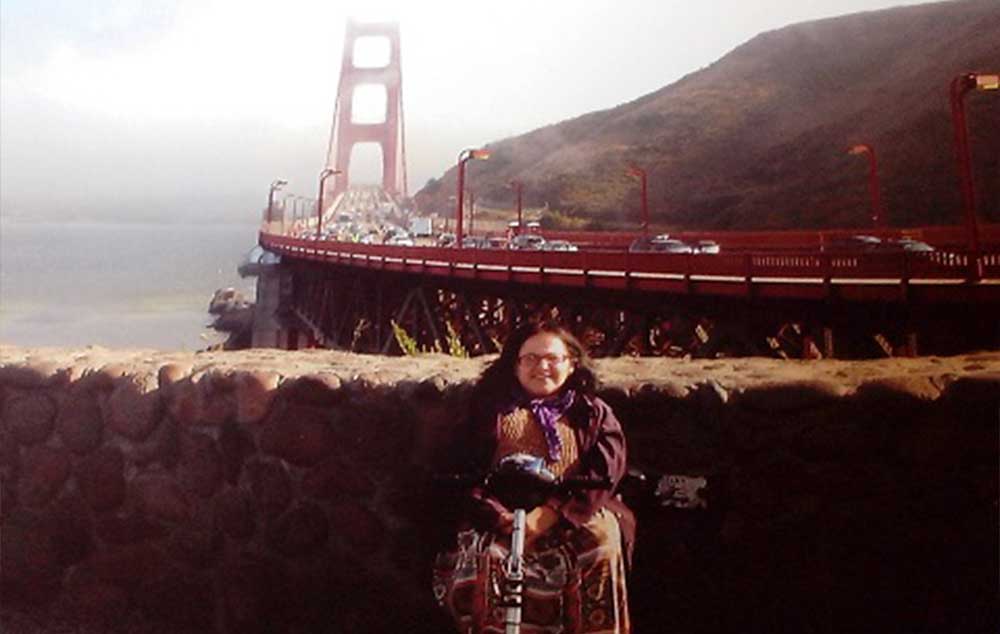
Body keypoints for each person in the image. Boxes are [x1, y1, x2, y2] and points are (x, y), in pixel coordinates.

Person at [433, 320, 634, 634]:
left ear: (571, 365)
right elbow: (463, 468)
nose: (542, 366)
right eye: (531, 358)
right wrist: (501, 518)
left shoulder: (593, 413)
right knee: (491, 554)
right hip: (499, 511)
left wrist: (551, 514)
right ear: (515, 366)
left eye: (553, 359)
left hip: (570, 511)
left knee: (602, 541)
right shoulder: (490, 410)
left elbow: (607, 469)